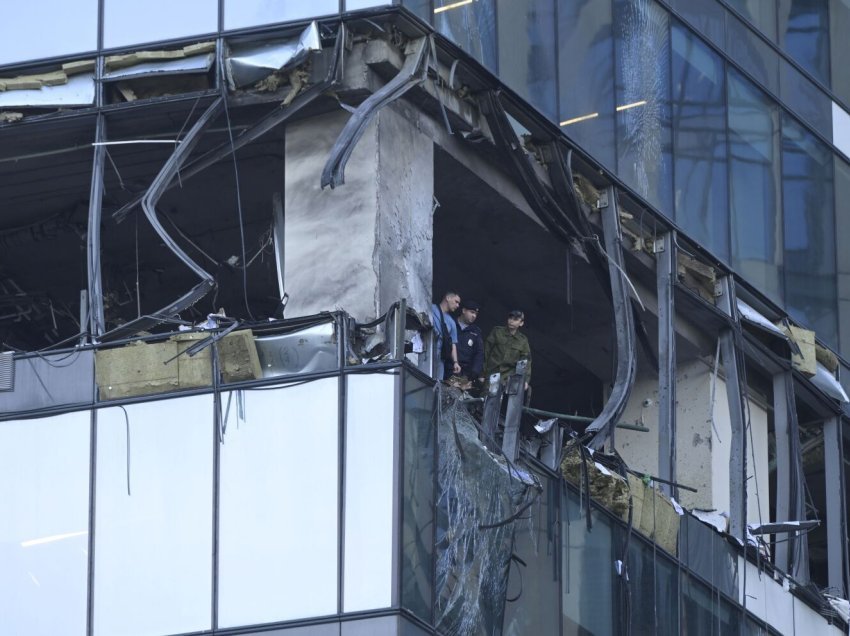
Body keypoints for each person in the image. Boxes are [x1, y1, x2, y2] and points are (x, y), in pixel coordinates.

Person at [484, 309, 532, 389]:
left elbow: (526, 361)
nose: (511, 321)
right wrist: (482, 374)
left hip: (508, 378)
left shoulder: (523, 340)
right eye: (510, 318)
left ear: (521, 323)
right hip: (492, 374)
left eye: (515, 319)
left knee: (505, 400)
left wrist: (525, 380)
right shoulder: (497, 332)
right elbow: (486, 352)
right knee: (486, 398)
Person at [431, 291, 461, 380]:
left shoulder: (452, 322)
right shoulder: (431, 308)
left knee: (437, 384)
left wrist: (455, 362)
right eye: (456, 302)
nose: (458, 305)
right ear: (448, 298)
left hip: (440, 357)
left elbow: (453, 343)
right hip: (427, 349)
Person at [455, 299, 484, 381]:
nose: (474, 316)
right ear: (464, 310)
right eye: (472, 312)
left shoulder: (476, 332)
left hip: (464, 373)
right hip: (448, 366)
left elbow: (479, 353)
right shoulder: (452, 323)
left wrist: (475, 371)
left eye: (476, 314)